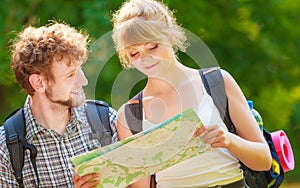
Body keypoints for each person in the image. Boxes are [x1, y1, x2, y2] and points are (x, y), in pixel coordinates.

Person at [112, 0, 272, 187]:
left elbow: (263, 160)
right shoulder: (129, 115)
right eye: (134, 54)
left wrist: (228, 140)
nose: (145, 59)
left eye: (152, 47)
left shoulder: (217, 82)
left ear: (170, 35)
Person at [0, 22, 118, 187]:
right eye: (71, 75)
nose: (83, 81)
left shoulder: (106, 120)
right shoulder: (6, 150)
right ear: (39, 83)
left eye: (80, 70)